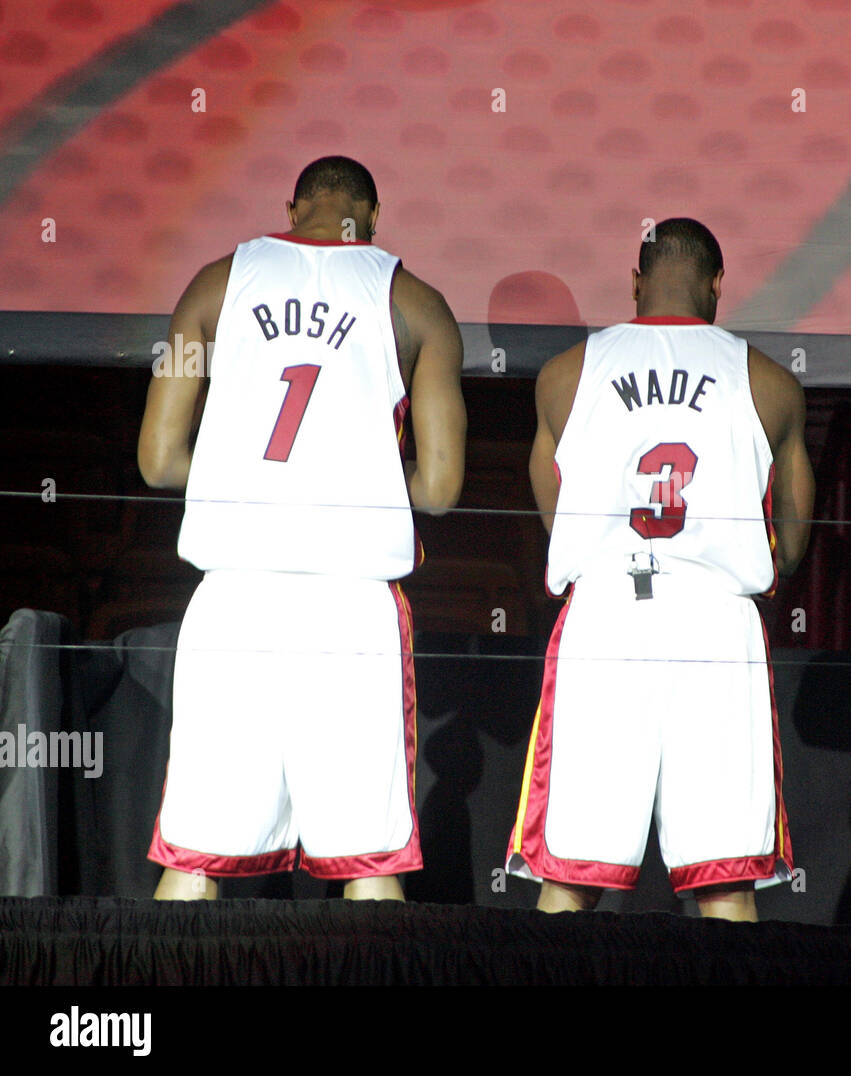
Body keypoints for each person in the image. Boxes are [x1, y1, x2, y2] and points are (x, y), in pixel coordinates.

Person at [137, 156, 466, 901]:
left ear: (291, 209)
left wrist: (251, 481)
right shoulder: (417, 304)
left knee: (193, 856)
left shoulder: (212, 286)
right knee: (369, 864)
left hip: (235, 599)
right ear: (373, 216)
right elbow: (442, 487)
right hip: (350, 604)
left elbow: (158, 462)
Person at [505, 218, 815, 921]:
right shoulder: (768, 381)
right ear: (715, 286)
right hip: (716, 619)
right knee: (725, 879)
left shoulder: (563, 374)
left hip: (609, 612)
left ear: (635, 281)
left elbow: (556, 515)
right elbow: (791, 546)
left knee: (571, 875)